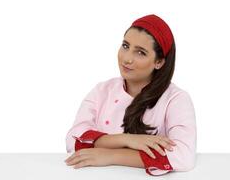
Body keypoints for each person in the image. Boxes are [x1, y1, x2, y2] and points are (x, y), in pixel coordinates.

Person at [64, 14, 197, 176]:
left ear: (159, 62)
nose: (127, 59)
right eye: (125, 46)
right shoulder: (102, 91)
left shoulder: (175, 99)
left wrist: (111, 155)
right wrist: (128, 140)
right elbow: (72, 140)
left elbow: (183, 156)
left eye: (140, 53)